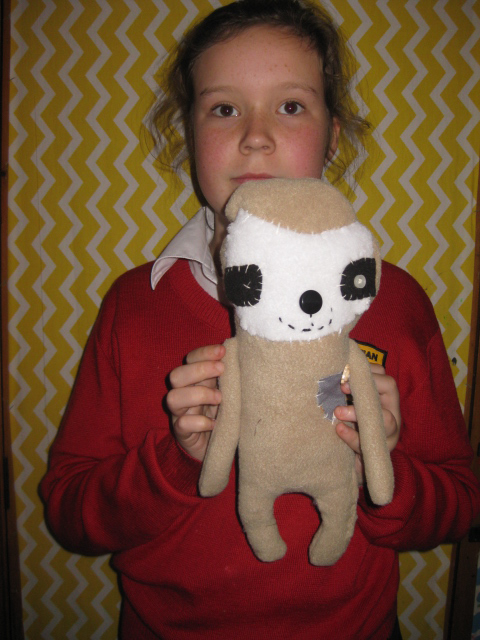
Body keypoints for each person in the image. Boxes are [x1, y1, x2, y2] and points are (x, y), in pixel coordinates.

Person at [40, 1, 480, 638]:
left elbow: (458, 505)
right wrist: (178, 459)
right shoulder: (134, 304)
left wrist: (375, 468)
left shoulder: (394, 300)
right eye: (224, 109)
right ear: (190, 132)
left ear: (333, 136)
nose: (255, 136)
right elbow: (70, 514)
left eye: (291, 105)